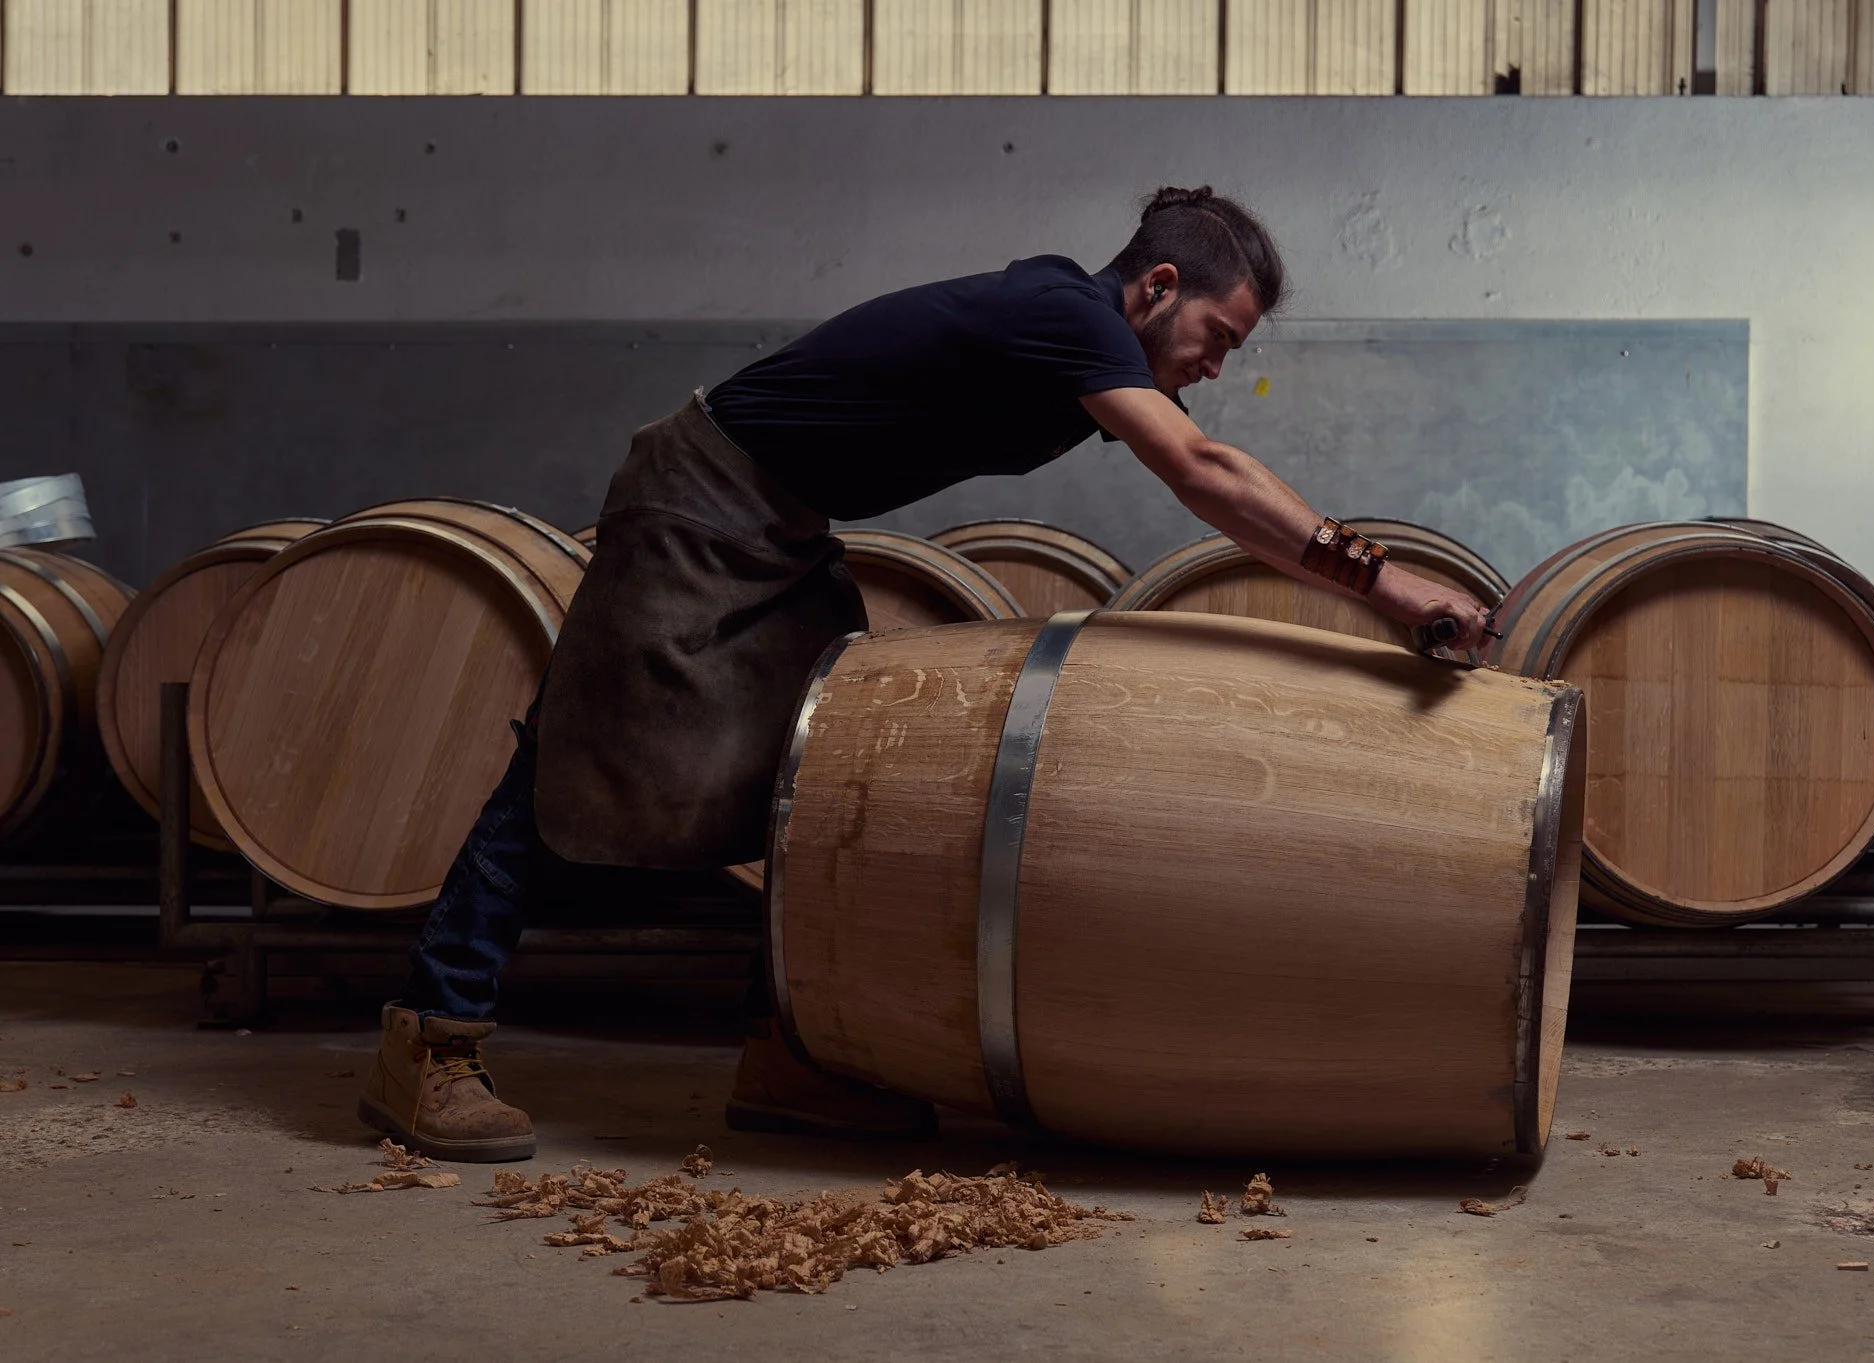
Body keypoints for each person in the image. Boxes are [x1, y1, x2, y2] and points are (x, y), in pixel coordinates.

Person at [356, 186, 1491, 1162]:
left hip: (783, 523)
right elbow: (1199, 470)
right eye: (1219, 336)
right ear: (1152, 286)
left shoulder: (1084, 343)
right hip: (696, 497)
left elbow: (1208, 469)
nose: (1213, 364)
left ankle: (786, 1056)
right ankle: (430, 1041)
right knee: (567, 764)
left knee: (809, 771)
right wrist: (1386, 586)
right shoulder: (1060, 311)